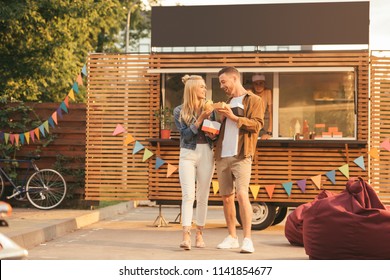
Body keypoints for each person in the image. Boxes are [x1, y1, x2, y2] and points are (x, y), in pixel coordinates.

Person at [214, 66, 264, 253]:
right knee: (226, 197)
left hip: (241, 154)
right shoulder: (225, 102)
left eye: (223, 81)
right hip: (222, 155)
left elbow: (257, 125)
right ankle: (232, 237)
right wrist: (217, 122)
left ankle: (248, 239)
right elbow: (222, 129)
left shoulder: (254, 100)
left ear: (234, 78)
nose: (222, 86)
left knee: (242, 195)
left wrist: (234, 117)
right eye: (220, 83)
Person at [173, 75, 217, 250]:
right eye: (202, 87)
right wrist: (200, 120)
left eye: (205, 87)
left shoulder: (210, 109)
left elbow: (213, 134)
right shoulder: (179, 111)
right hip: (188, 153)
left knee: (203, 195)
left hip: (206, 152)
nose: (205, 90)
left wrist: (213, 132)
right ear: (192, 89)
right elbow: (185, 135)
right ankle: (186, 235)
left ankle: (199, 233)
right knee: (188, 195)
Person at [251, 73, 273, 139]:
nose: (258, 86)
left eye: (261, 83)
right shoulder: (250, 93)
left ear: (264, 84)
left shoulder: (267, 92)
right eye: (256, 84)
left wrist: (269, 132)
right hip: (253, 123)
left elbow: (270, 112)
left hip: (265, 123)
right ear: (253, 85)